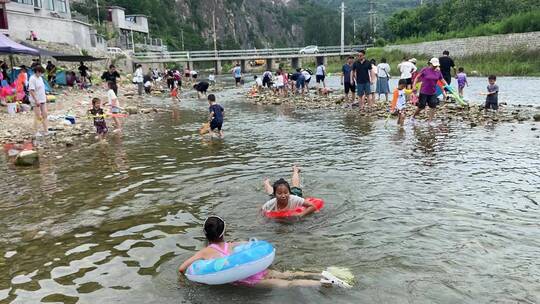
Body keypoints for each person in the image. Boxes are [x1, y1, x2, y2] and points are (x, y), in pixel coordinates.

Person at [178, 216, 351, 288]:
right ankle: (323, 273)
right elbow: (251, 244)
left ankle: (326, 283)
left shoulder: (204, 253)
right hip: (259, 269)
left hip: (248, 280)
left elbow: (181, 269)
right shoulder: (232, 245)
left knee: (290, 284)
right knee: (289, 273)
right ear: (224, 232)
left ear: (205, 235)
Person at [411, 58, 449, 123]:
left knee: (433, 106)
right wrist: (414, 86)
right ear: (430, 64)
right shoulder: (425, 70)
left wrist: (447, 85)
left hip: (433, 92)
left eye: (436, 65)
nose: (435, 66)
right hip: (424, 91)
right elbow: (417, 77)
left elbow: (442, 80)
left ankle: (430, 121)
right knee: (421, 106)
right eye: (434, 65)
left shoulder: (438, 72)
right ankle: (413, 116)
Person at [29, 66, 48, 136]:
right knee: (38, 116)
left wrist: (45, 96)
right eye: (41, 73)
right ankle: (35, 131)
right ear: (37, 72)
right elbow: (31, 90)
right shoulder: (32, 78)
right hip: (36, 100)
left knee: (45, 114)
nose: (42, 74)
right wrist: (36, 100)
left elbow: (42, 88)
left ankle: (46, 130)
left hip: (42, 99)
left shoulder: (40, 78)